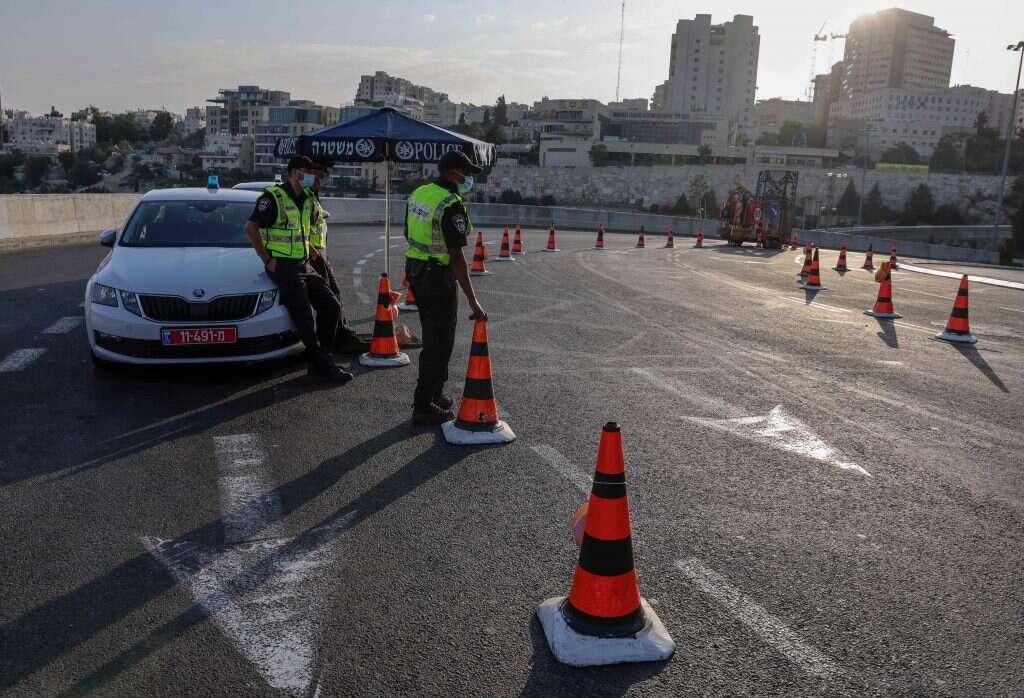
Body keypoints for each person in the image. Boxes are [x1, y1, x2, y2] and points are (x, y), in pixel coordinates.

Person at [244, 155, 352, 383]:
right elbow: (251, 227)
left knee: (331, 306)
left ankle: (321, 359)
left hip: (303, 263)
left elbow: (306, 229)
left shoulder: (309, 198)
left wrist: (313, 250)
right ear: (295, 172)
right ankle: (323, 366)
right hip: (282, 265)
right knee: (303, 317)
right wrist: (267, 260)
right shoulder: (273, 197)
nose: (312, 176)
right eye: (307, 171)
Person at [404, 150, 487, 425]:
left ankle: (435, 393)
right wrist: (473, 301)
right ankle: (423, 405)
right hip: (436, 276)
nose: (469, 179)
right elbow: (456, 257)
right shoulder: (450, 204)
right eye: (467, 173)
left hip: (415, 269)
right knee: (439, 342)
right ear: (453, 172)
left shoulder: (421, 192)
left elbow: (408, 232)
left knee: (433, 334)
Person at [306, 160, 370, 355]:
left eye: (321, 176)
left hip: (321, 256)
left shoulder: (313, 197)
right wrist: (311, 250)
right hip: (312, 258)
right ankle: (330, 346)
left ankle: (343, 336)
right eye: (316, 175)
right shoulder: (303, 198)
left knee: (336, 294)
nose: (319, 180)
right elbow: (297, 229)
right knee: (329, 303)